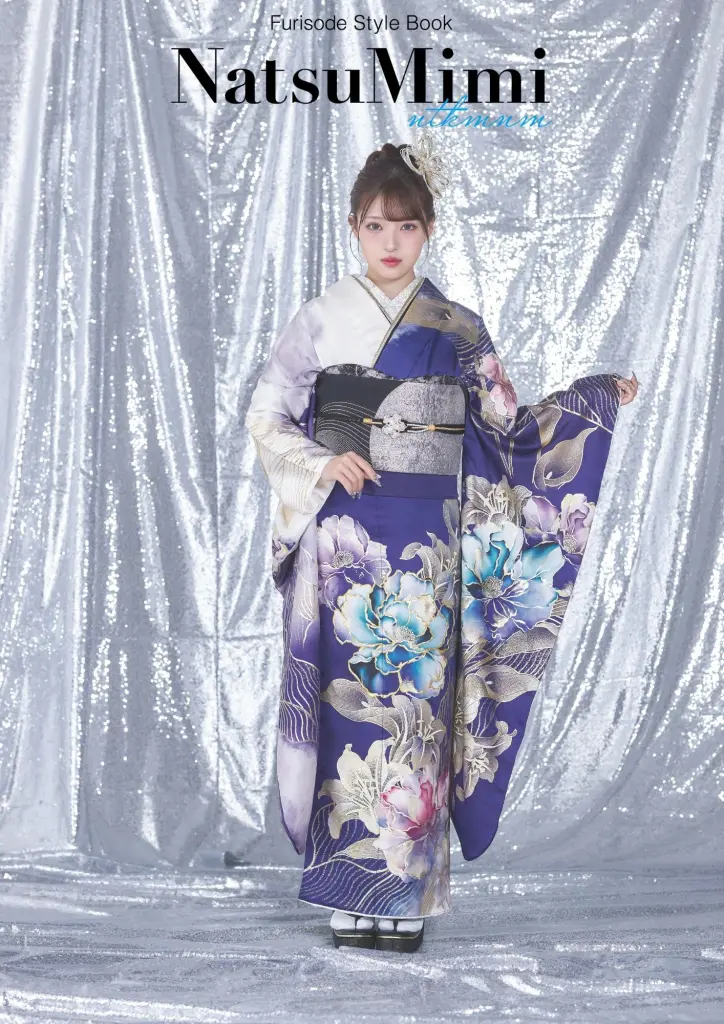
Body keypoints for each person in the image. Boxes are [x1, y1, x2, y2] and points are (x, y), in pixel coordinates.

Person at [245, 132, 639, 953]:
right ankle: (346, 889)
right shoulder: (319, 319)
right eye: (376, 226)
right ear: (354, 227)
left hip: (427, 540)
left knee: (415, 711)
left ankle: (406, 893)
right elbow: (267, 414)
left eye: (407, 227)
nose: (391, 243)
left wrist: (593, 399)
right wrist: (321, 461)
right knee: (348, 705)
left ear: (428, 230)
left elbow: (512, 430)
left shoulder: (458, 326)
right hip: (344, 541)